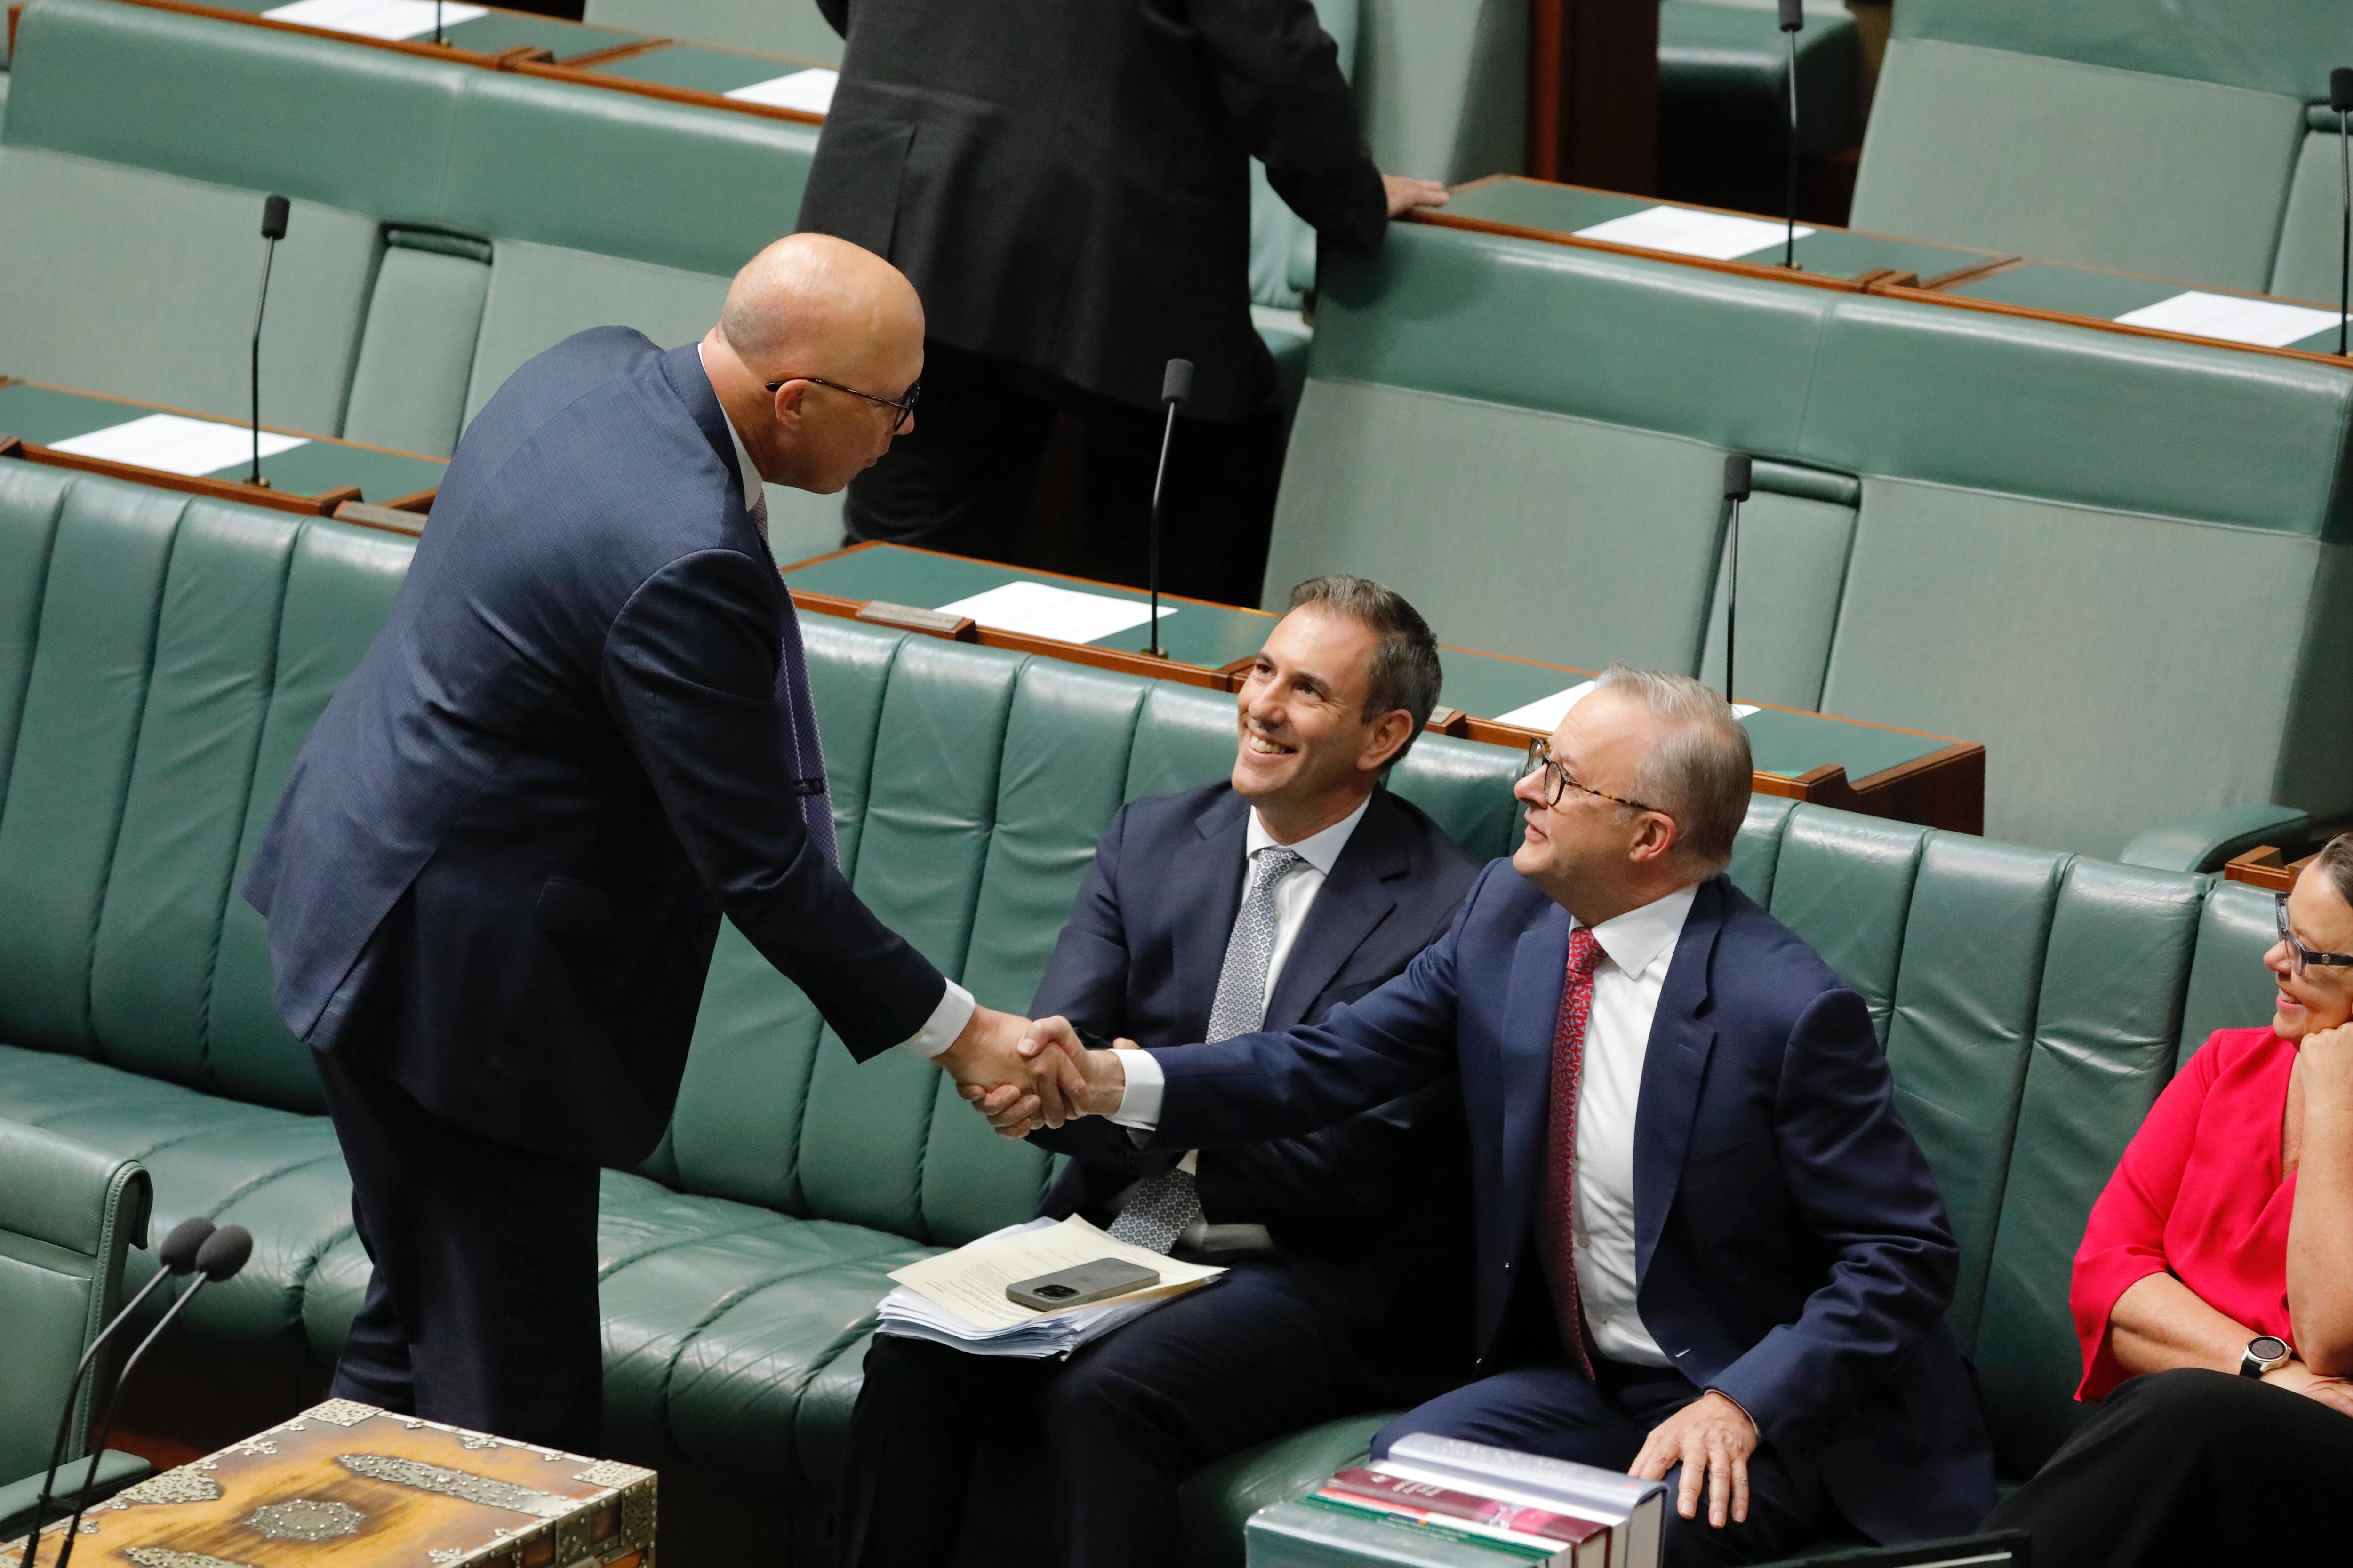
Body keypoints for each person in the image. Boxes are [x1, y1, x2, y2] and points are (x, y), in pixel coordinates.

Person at [242, 235, 1066, 1455]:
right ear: (794, 402)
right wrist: (964, 1031)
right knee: (516, 1433)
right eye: (895, 407)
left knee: (415, 1344)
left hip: (368, 901)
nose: (904, 435)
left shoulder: (592, 366)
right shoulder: (683, 557)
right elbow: (766, 870)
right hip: (462, 1009)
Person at [987, 668, 1995, 1566]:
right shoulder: (1505, 921)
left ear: (1649, 837)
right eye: (1536, 760)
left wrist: (1743, 1403)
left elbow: (1899, 1252)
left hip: (1765, 1416)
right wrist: (1114, 1082)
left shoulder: (1783, 1009)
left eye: (1560, 778)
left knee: (1602, 1550)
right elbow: (1325, 1062)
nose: (1525, 788)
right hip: (1590, 1382)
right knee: (1406, 1471)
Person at [837, 576, 1481, 1568]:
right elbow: (1061, 1074)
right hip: (1109, 1233)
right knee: (915, 1350)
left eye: (1305, 689)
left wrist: (1133, 1087)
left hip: (1306, 1269)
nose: (1260, 704)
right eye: (1261, 669)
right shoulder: (1152, 840)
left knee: (1112, 1395)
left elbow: (1347, 1166)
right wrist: (1051, 1087)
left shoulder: (1445, 909)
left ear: (1382, 736)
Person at [796, 0, 1448, 605]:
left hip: (911, 208)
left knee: (900, 577)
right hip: (1110, 233)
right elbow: (1276, 64)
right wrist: (1352, 203)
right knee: (1194, 532)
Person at [1983, 835, 2353, 1567]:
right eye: (2286, 928)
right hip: (2190, 1456)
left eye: (2311, 953)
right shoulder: (2228, 1065)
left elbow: (2333, 1333)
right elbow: (2107, 1279)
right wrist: (2269, 1370)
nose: (2276, 961)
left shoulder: (2333, 1104)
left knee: (2187, 1409)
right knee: (2183, 1413)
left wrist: (2335, 1109)